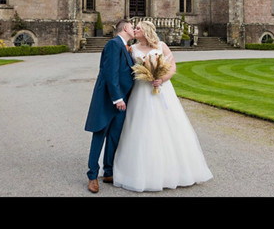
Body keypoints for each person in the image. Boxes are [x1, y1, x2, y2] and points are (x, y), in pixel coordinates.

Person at [112, 20, 213, 192]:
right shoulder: (132, 49)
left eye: (137, 28)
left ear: (146, 31)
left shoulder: (161, 45)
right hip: (141, 92)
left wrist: (161, 79)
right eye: (134, 28)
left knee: (170, 126)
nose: (134, 30)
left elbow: (172, 67)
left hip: (163, 91)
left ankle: (174, 170)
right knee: (141, 127)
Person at [84, 19, 136, 193]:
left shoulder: (125, 47)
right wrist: (117, 98)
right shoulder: (114, 44)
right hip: (109, 100)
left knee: (114, 137)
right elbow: (110, 73)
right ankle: (92, 175)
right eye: (133, 26)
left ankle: (108, 171)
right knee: (99, 135)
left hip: (121, 101)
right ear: (126, 28)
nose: (135, 29)